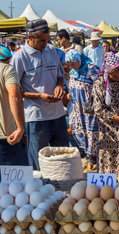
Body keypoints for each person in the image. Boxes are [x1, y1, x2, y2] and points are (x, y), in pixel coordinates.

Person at [10, 19, 69, 170]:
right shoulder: (19, 58)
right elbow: (15, 92)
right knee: (37, 160)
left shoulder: (51, 51)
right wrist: (39, 96)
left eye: (47, 39)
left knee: (62, 158)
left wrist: (60, 86)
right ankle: (39, 188)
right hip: (36, 116)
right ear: (29, 37)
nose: (45, 43)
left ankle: (61, 189)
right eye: (41, 40)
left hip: (58, 114)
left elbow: (60, 76)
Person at [65, 50, 100, 169]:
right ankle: (88, 155)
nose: (71, 67)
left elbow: (100, 85)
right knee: (80, 129)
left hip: (89, 106)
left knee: (92, 130)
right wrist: (70, 94)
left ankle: (94, 156)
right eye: (69, 64)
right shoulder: (73, 72)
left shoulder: (92, 69)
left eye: (73, 63)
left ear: (79, 60)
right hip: (77, 107)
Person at [0, 45, 28, 165]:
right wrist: (20, 128)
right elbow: (14, 96)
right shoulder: (7, 69)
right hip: (7, 136)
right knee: (16, 182)